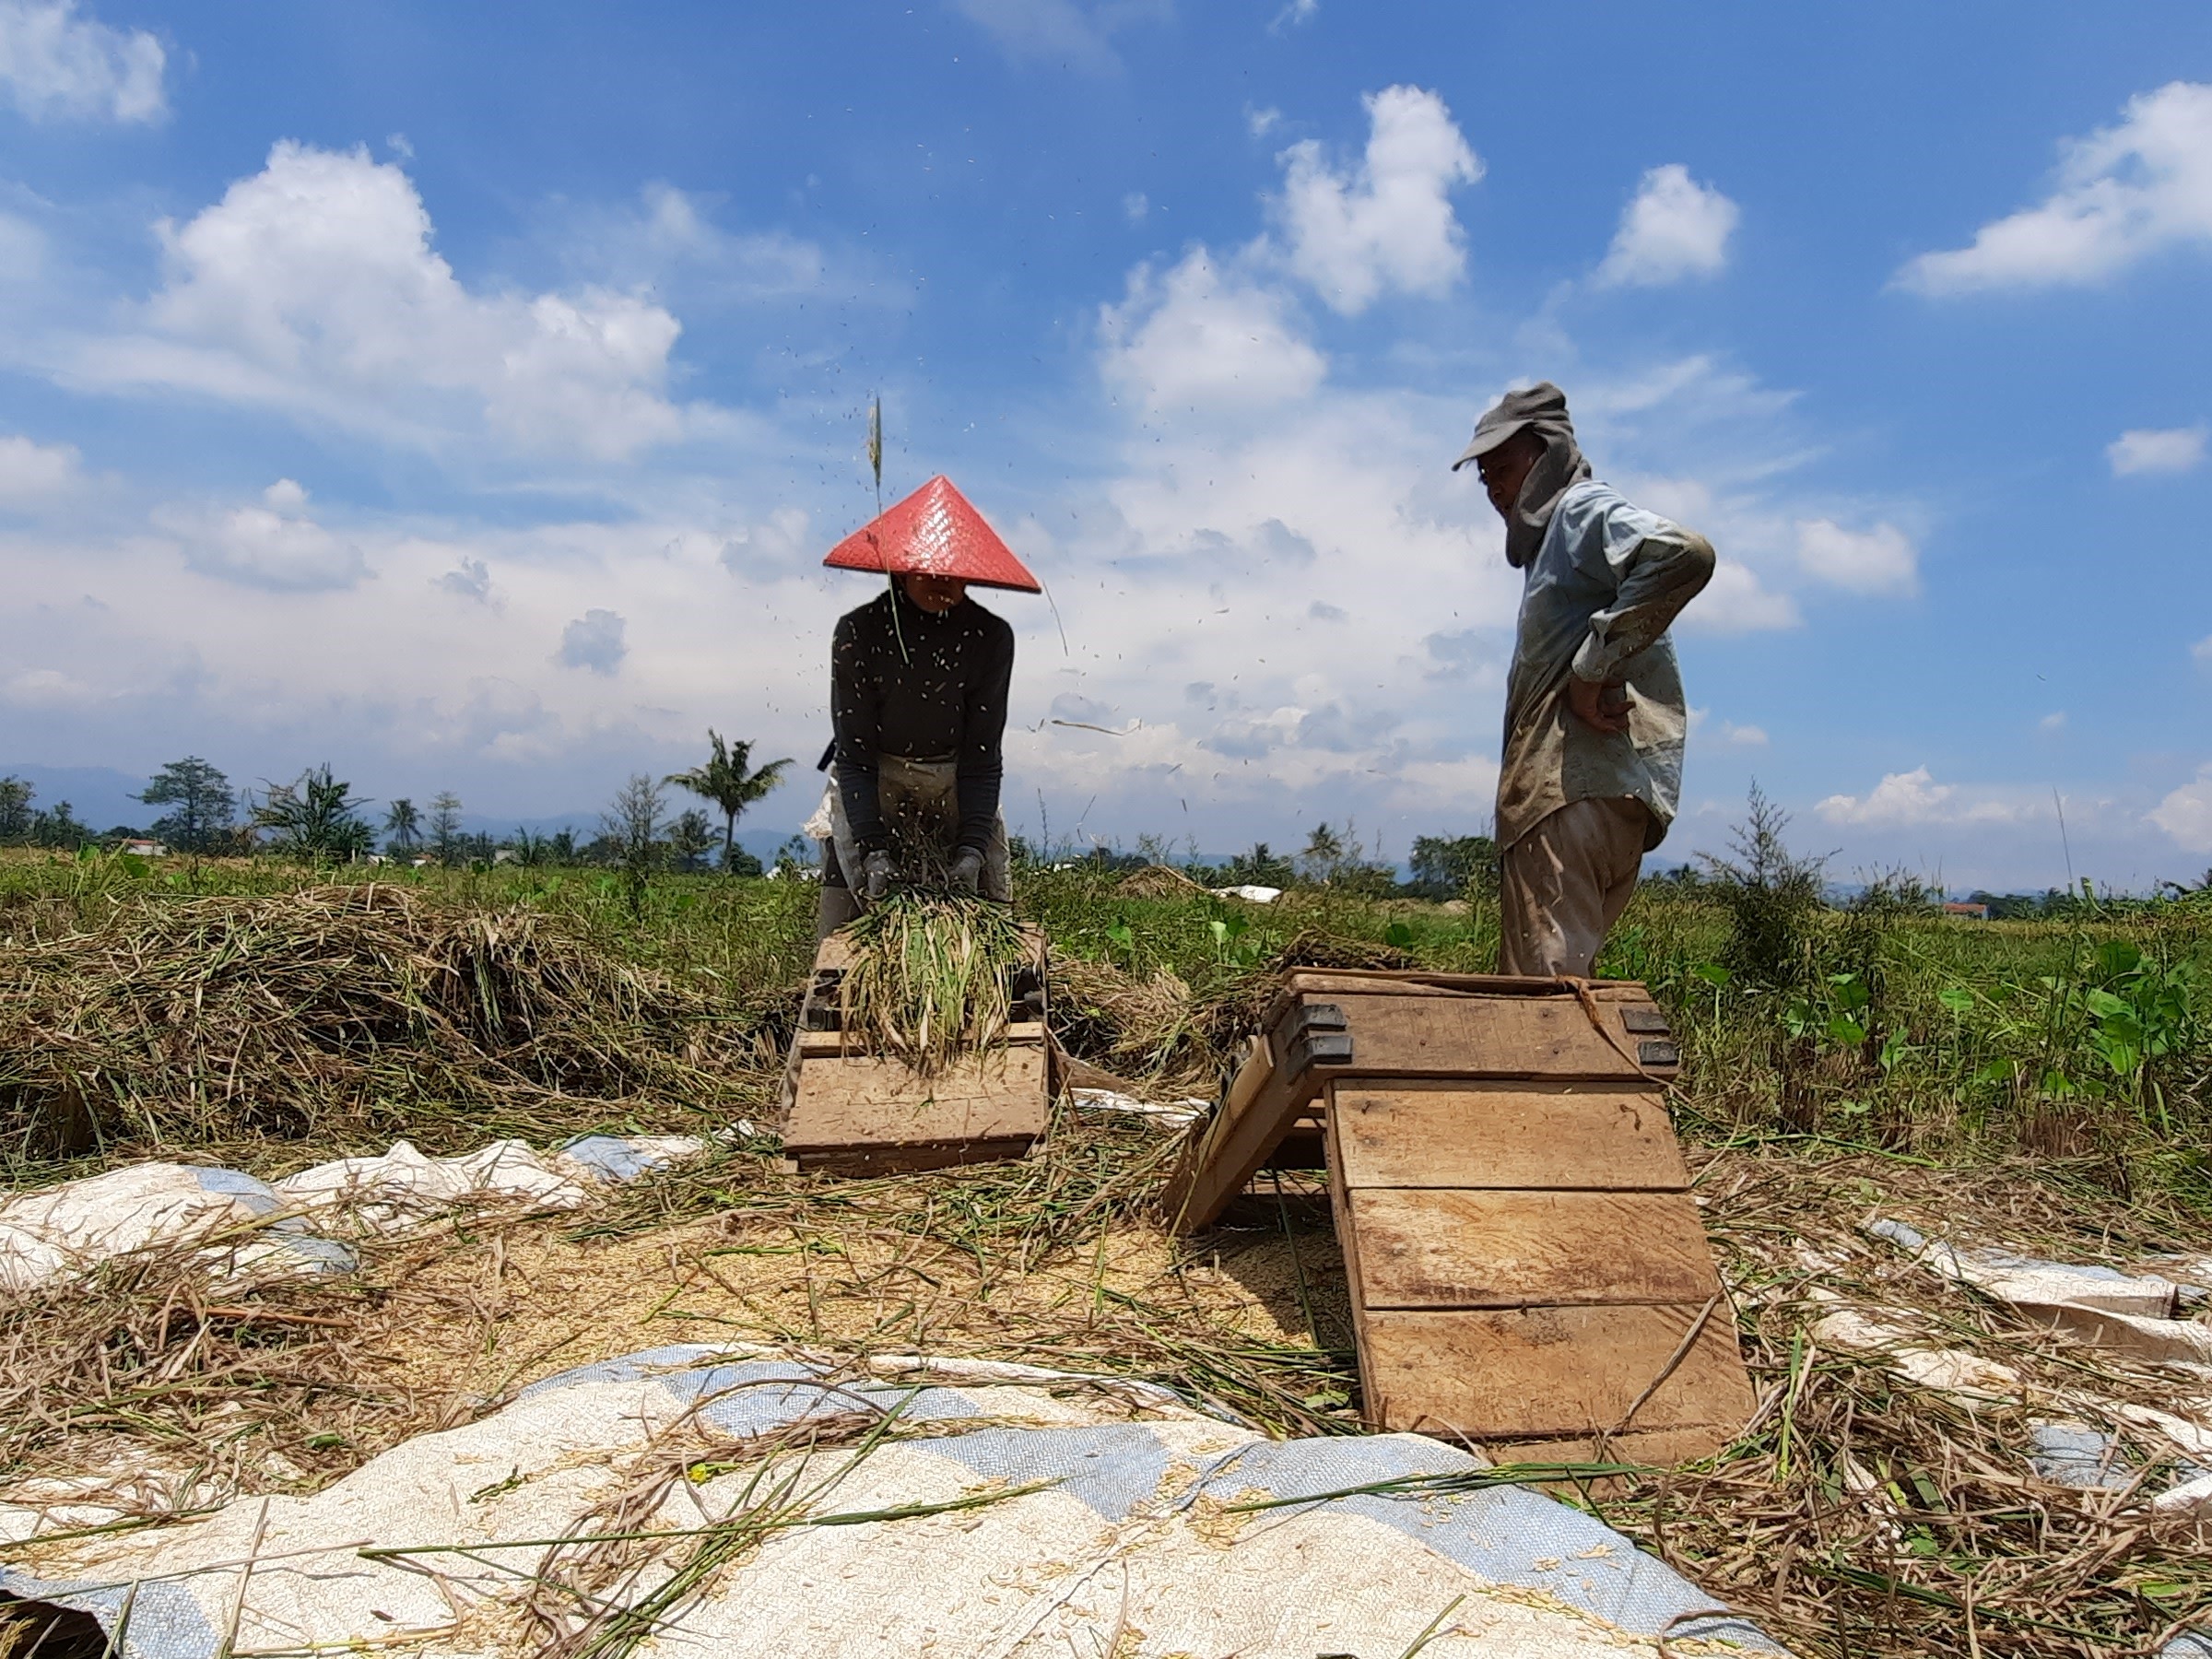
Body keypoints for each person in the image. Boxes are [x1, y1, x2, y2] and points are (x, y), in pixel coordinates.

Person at [1453, 382, 1716, 978]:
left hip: (1566, 797)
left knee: (1543, 1006)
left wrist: (1589, 670)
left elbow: (1684, 552)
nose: (1493, 485)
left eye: (1504, 465)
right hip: (1601, 796)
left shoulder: (1577, 510)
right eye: (1484, 474)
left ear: (1546, 454)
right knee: (1566, 987)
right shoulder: (1555, 546)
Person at [810, 475, 1040, 939]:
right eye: (931, 572)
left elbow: (981, 755)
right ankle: (824, 990)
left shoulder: (990, 638)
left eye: (955, 573)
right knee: (845, 910)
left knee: (995, 910)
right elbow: (854, 755)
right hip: (877, 771)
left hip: (953, 774)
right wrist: (874, 849)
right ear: (902, 568)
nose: (945, 585)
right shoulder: (860, 632)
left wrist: (972, 849)